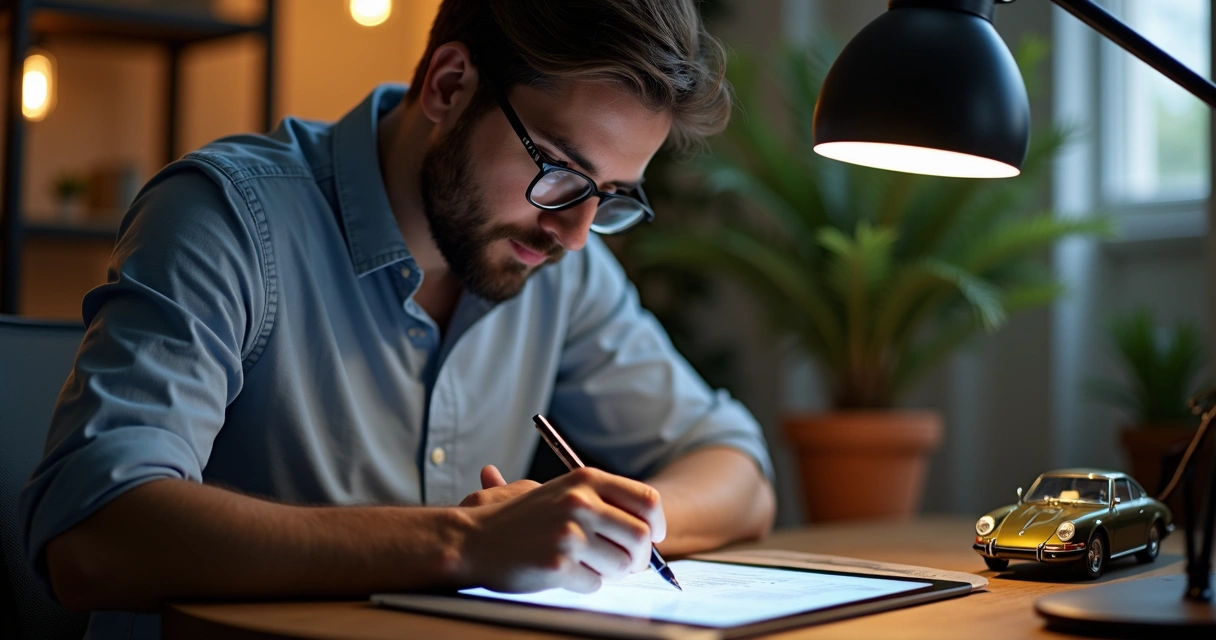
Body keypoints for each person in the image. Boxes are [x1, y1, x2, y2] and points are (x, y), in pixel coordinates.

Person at [18, 1, 776, 637]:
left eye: (610, 195)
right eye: (558, 171)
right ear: (449, 84)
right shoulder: (228, 217)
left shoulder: (558, 267)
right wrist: (465, 542)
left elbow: (738, 470)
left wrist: (615, 522)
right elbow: (94, 536)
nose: (575, 231)